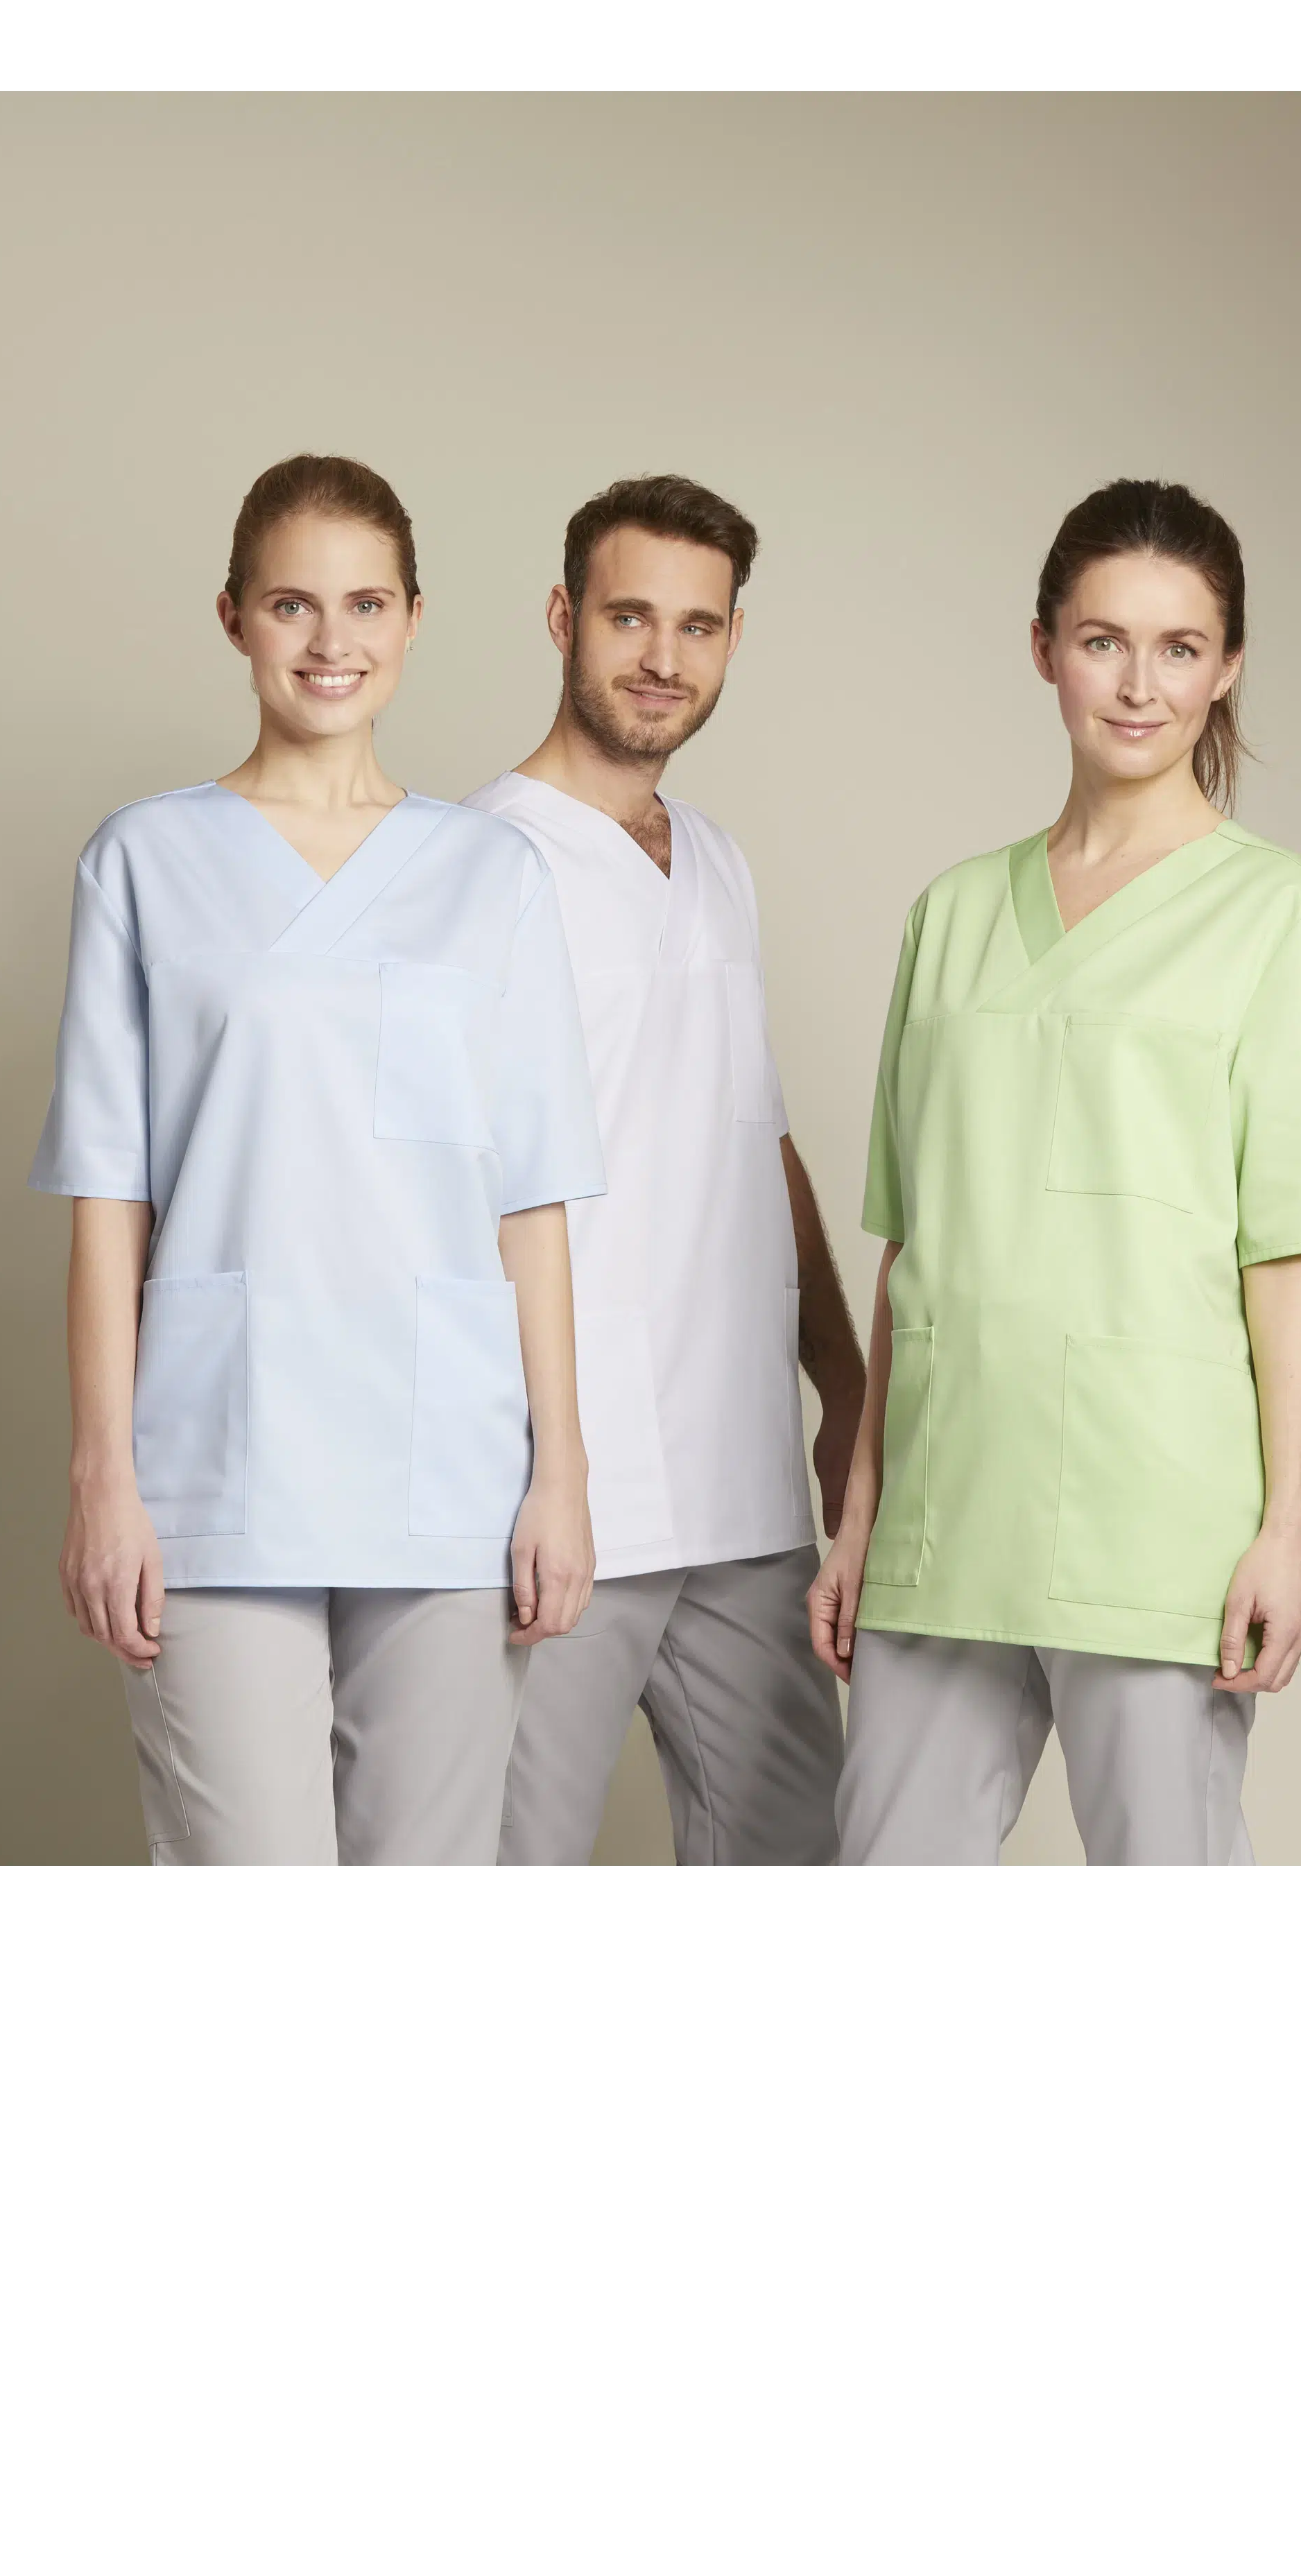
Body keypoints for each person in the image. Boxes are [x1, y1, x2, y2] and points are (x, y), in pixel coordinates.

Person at [33, 456, 605, 1866]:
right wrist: (103, 1478)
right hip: (218, 1455)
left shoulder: (491, 876)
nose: (330, 640)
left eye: (365, 604)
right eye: (293, 604)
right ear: (234, 616)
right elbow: (109, 1201)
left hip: (448, 1460)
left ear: (412, 619)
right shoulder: (144, 861)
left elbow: (530, 1202)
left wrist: (562, 1473)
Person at [813, 478, 1301, 1867]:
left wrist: (1289, 1528)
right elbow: (911, 1245)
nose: (1138, 685)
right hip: (946, 1508)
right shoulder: (950, 915)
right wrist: (863, 1511)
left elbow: (1291, 1252)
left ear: (1227, 667)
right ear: (1044, 647)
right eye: (1104, 640)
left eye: (1181, 648)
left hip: (1156, 1517)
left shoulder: (1277, 915)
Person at [469, 476, 860, 1867]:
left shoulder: (721, 864)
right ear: (563, 618)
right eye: (629, 616)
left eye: (697, 626)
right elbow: (450, 1187)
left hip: (741, 1489)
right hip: (556, 1493)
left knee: (796, 1844)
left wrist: (844, 1384)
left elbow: (757, 1136)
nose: (661, 658)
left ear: (734, 640)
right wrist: (534, 1467)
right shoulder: (479, 862)